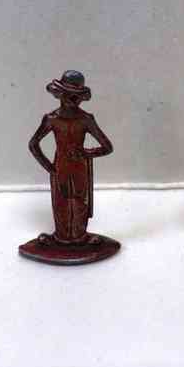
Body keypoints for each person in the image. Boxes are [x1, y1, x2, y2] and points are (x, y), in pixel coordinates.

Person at [27, 70, 113, 245]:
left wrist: (86, 153)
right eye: (68, 94)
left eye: (76, 96)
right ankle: (62, 237)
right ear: (60, 94)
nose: (72, 99)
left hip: (79, 166)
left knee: (80, 201)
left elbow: (107, 147)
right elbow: (33, 144)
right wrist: (49, 167)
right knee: (61, 201)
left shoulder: (86, 119)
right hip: (60, 166)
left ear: (81, 97)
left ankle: (80, 236)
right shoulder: (52, 119)